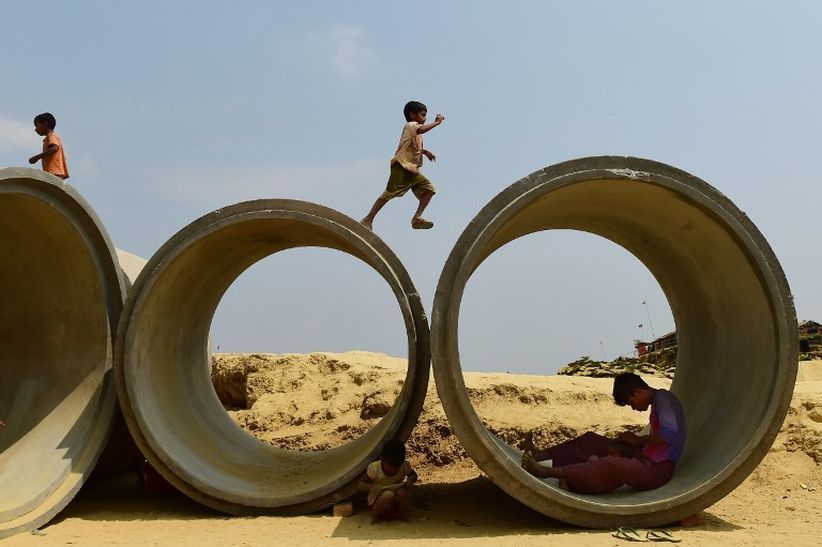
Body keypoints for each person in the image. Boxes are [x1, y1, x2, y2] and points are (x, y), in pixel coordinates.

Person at [521, 372, 686, 494]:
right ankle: (541, 455)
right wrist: (632, 442)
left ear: (637, 392)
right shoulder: (658, 401)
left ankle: (548, 472)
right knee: (591, 441)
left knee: (612, 464)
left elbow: (668, 435)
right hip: (643, 456)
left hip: (657, 470)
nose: (633, 408)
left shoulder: (663, 398)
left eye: (631, 403)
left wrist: (638, 440)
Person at [360, 101, 444, 231]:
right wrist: (436, 123)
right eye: (422, 115)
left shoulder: (416, 132)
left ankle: (417, 218)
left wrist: (425, 152)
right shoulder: (411, 125)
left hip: (412, 170)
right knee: (389, 193)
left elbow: (411, 147)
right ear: (412, 115)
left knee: (429, 190)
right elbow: (421, 130)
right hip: (402, 167)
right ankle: (368, 219)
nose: (425, 118)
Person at [358, 439, 418, 522]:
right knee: (388, 495)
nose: (393, 469)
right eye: (390, 467)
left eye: (396, 467)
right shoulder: (375, 468)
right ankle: (374, 516)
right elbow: (361, 485)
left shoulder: (404, 466)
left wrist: (411, 479)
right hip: (379, 501)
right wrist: (371, 487)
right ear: (382, 459)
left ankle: (403, 513)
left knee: (403, 493)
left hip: (394, 502)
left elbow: (413, 475)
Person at [28, 112, 69, 179]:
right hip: (54, 171)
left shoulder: (51, 136)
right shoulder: (49, 137)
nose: (35, 129)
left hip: (54, 171)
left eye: (37, 125)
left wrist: (36, 157)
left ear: (45, 123)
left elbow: (54, 148)